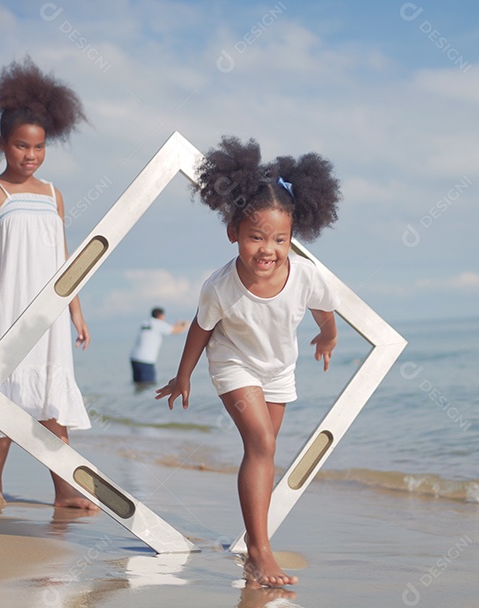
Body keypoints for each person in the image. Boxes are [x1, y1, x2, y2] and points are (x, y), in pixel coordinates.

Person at [155, 136, 342, 587]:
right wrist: (183, 377)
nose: (267, 249)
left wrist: (327, 336)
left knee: (263, 450)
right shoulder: (219, 286)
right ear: (233, 232)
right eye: (256, 236)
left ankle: (254, 542)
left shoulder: (305, 275)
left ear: (292, 237)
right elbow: (200, 330)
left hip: (279, 369)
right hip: (233, 364)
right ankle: (260, 554)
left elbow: (323, 310)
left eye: (279, 239)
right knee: (261, 442)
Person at [0, 57, 97, 513]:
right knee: (1, 395)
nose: (30, 156)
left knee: (50, 401)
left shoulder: (54, 193)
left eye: (38, 147)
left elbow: (65, 261)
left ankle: (63, 489)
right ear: (3, 143)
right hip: (4, 310)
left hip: (49, 315)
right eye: (21, 146)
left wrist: (75, 311)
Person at [130, 307, 189, 385]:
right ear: (161, 316)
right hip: (146, 360)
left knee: (138, 384)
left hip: (134, 358)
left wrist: (178, 323)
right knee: (148, 384)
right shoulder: (158, 324)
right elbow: (175, 331)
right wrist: (186, 325)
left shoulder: (145, 323)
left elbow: (169, 327)